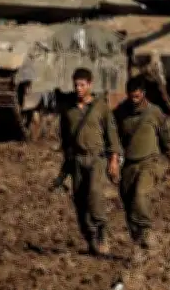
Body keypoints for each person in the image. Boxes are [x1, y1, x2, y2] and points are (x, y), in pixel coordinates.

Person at [53, 67, 121, 257]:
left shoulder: (101, 107)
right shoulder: (69, 110)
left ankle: (101, 232)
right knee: (80, 201)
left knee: (95, 196)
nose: (78, 89)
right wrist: (66, 163)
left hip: (96, 159)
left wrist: (114, 160)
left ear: (90, 85)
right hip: (77, 160)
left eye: (82, 85)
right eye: (76, 85)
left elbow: (112, 135)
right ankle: (90, 236)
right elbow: (65, 138)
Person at [113, 76, 170, 259]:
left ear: (143, 94)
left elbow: (165, 136)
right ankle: (138, 239)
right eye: (131, 96)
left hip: (149, 161)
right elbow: (113, 136)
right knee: (127, 200)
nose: (134, 100)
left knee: (140, 195)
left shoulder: (154, 112)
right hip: (129, 163)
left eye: (137, 96)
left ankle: (147, 233)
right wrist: (112, 158)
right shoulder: (121, 112)